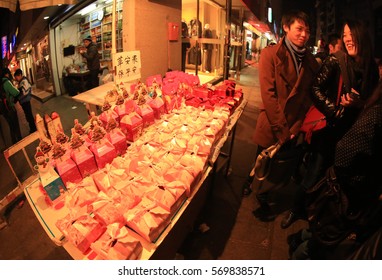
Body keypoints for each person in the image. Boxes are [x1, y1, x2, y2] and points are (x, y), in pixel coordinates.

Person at [280, 19, 379, 229]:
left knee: (332, 180)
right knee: (313, 174)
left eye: (351, 34)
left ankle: (318, 214)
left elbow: (370, 103)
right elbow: (315, 89)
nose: (348, 40)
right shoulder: (336, 61)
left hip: (351, 136)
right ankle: (295, 210)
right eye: (345, 36)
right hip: (328, 131)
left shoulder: (371, 70)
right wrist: (335, 110)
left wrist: (358, 103)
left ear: (363, 35)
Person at [290, 81, 382, 260]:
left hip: (352, 193)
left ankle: (299, 239)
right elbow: (345, 153)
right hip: (348, 194)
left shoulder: (374, 110)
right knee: (321, 243)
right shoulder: (377, 115)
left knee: (325, 237)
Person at [243, 10, 320, 222]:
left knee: (280, 164)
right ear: (286, 28)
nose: (304, 34)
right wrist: (282, 128)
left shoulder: (311, 63)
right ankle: (257, 192)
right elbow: (268, 95)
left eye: (307, 30)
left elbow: (307, 99)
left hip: (294, 124)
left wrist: (295, 128)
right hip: (273, 121)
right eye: (299, 29)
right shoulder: (270, 55)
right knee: (263, 160)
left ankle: (263, 191)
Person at [1, 68, 22, 144]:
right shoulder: (6, 82)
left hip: (3, 109)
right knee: (15, 124)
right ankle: (19, 140)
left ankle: (14, 141)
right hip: (9, 107)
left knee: (11, 125)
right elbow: (16, 92)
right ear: (6, 74)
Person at [13, 69, 37, 134]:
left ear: (20, 75)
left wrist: (17, 98)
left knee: (29, 116)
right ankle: (33, 128)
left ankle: (33, 129)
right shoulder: (21, 81)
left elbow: (24, 92)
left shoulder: (24, 81)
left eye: (16, 77)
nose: (16, 79)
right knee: (28, 116)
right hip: (24, 102)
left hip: (26, 102)